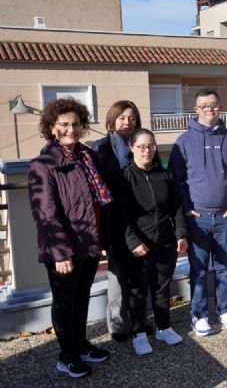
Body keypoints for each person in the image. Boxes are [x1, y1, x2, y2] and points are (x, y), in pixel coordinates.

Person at [28, 98, 111, 379]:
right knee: (65, 303)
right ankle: (67, 356)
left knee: (81, 298)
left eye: (75, 124)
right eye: (64, 124)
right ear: (52, 127)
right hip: (64, 249)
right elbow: (45, 213)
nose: (70, 129)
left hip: (88, 242)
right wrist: (60, 252)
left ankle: (80, 345)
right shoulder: (43, 165)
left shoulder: (87, 158)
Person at [168, 88, 227, 335]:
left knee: (223, 266)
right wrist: (187, 208)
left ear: (220, 107)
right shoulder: (184, 141)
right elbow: (176, 179)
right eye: (204, 106)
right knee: (199, 268)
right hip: (198, 218)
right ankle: (199, 315)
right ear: (196, 110)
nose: (209, 109)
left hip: (225, 216)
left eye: (213, 105)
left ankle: (225, 309)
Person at [121, 129, 188, 355]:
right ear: (131, 148)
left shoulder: (165, 176)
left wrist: (181, 234)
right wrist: (132, 241)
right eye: (141, 146)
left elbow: (177, 207)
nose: (146, 150)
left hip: (165, 242)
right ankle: (139, 333)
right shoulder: (125, 177)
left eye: (150, 146)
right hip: (139, 245)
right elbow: (120, 216)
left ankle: (164, 327)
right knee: (138, 291)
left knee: (161, 288)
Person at [91, 100, 141, 341]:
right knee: (117, 275)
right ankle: (119, 326)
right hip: (114, 220)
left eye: (131, 118)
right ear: (112, 120)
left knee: (140, 274)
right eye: (122, 117)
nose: (127, 122)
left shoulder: (141, 144)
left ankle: (139, 321)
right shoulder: (100, 148)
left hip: (140, 217)